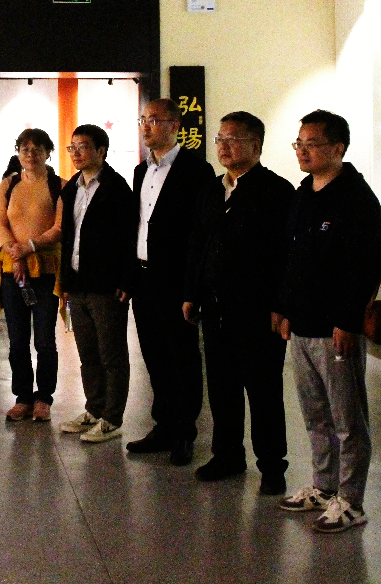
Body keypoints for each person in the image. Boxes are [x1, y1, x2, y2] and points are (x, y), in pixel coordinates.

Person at [275, 109, 381, 533]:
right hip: (302, 324)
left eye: (312, 144)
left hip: (335, 328)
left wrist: (347, 320)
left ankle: (351, 500)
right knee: (315, 413)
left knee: (347, 420)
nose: (302, 151)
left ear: (338, 148)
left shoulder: (356, 198)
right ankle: (323, 486)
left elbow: (364, 266)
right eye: (298, 144)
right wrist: (285, 308)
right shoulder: (303, 193)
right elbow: (291, 256)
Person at [183, 111, 294, 494]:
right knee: (222, 388)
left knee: (263, 391)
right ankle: (227, 455)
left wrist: (281, 305)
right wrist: (191, 293)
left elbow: (286, 255)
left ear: (256, 145)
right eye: (220, 139)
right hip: (215, 308)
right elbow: (198, 245)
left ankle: (272, 466)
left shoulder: (276, 191)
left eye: (233, 139)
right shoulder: (212, 190)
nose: (224, 146)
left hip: (258, 312)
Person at [127, 98, 214, 466]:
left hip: (176, 280)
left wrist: (193, 288)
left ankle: (184, 432)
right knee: (154, 356)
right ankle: (162, 425)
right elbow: (137, 226)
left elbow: (201, 233)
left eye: (154, 120)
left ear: (175, 125)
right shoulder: (141, 171)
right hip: (144, 277)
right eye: (143, 120)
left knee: (182, 357)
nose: (146, 127)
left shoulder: (197, 170)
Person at [41, 124, 138, 443]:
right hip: (78, 283)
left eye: (83, 147)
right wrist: (66, 282)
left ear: (101, 151)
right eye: (73, 147)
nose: (76, 153)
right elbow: (68, 238)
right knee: (88, 354)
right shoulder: (71, 189)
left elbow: (129, 237)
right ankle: (94, 409)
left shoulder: (116, 187)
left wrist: (126, 279)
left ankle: (112, 418)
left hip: (106, 286)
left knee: (111, 354)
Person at [0, 128, 64, 421]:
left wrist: (28, 247)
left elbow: (59, 228)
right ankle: (22, 396)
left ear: (48, 153)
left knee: (45, 339)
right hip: (13, 271)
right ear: (18, 153)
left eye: (37, 149)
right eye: (25, 149)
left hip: (46, 270)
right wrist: (15, 253)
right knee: (17, 339)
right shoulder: (8, 185)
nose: (31, 155)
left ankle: (44, 397)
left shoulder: (59, 186)